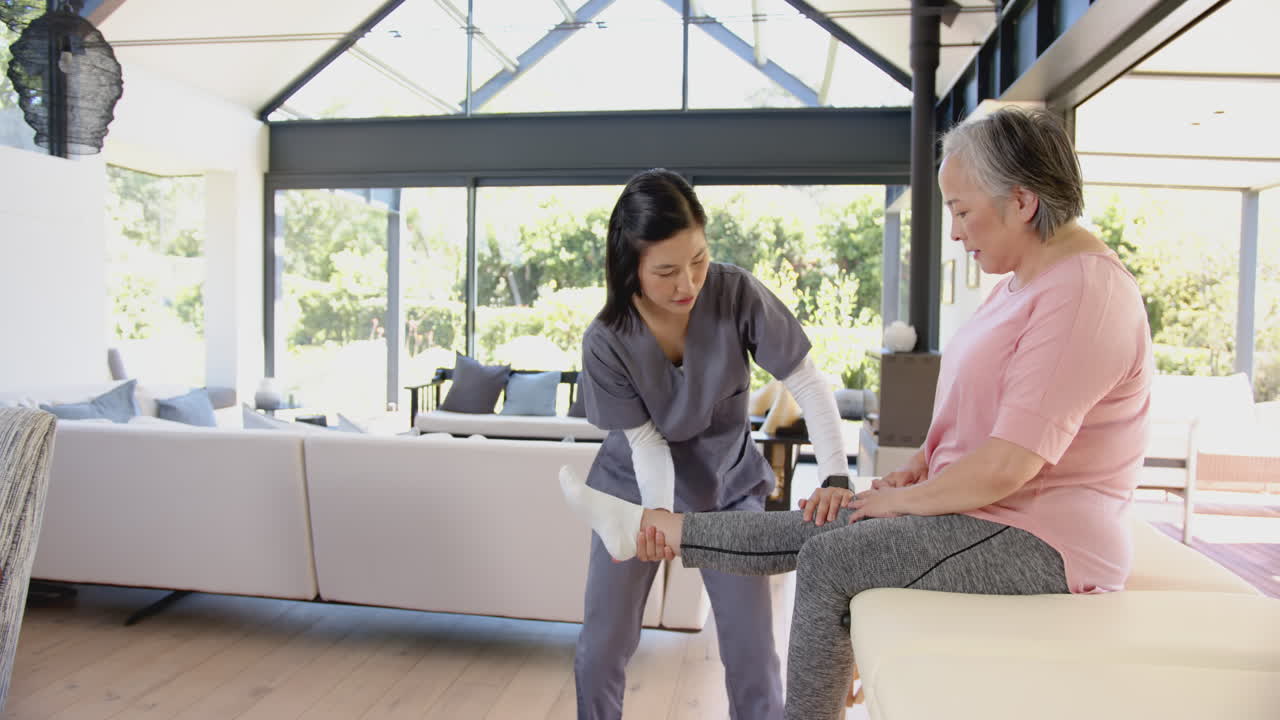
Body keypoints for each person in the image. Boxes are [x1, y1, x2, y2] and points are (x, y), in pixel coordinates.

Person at [561, 108, 1154, 720]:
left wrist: (874, 491)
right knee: (830, 526)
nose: (953, 231)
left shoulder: (1082, 292)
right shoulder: (1023, 284)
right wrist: (920, 471)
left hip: (1037, 532)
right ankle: (645, 527)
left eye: (960, 209)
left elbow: (1007, 464)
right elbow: (982, 426)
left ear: (1023, 202)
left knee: (830, 553)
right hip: (990, 511)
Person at [571, 168, 852, 720]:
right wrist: (656, 517)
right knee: (602, 648)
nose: (688, 285)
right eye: (667, 271)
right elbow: (647, 442)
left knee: (752, 652)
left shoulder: (735, 292)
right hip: (632, 499)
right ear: (630, 267)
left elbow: (806, 381)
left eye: (698, 260)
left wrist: (837, 475)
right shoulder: (606, 339)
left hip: (728, 492)